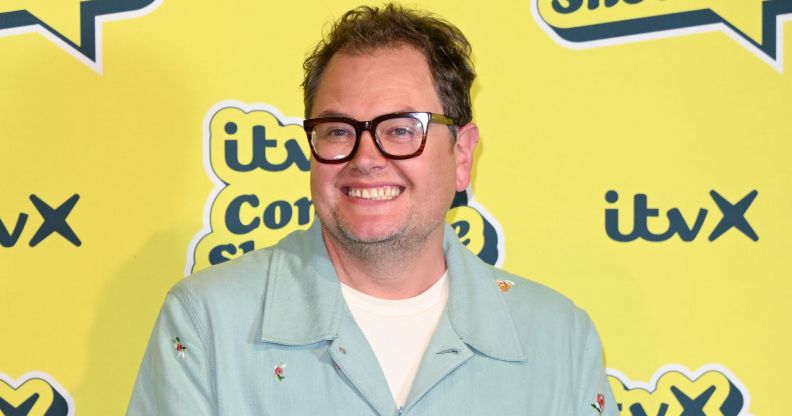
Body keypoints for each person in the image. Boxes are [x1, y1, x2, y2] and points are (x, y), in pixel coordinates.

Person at [128, 4, 617, 415]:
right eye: (339, 130)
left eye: (402, 129)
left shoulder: (559, 339)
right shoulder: (208, 323)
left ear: (462, 155)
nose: (365, 158)